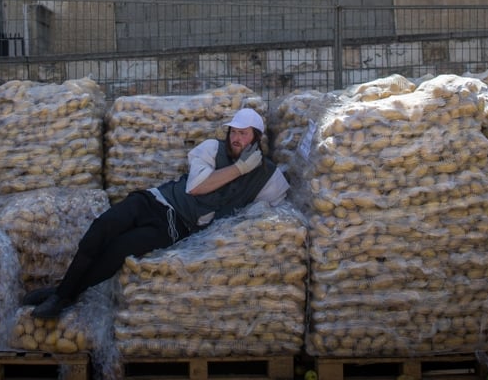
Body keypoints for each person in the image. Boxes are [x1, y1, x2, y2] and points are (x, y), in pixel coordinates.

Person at [25, 106, 290, 319]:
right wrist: (239, 169)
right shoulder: (212, 148)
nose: (236, 138)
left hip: (176, 226)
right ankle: (61, 293)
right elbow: (196, 187)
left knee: (119, 251)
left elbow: (276, 206)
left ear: (257, 138)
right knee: (103, 227)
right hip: (156, 200)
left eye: (244, 134)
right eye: (234, 131)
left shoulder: (267, 176)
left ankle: (62, 295)